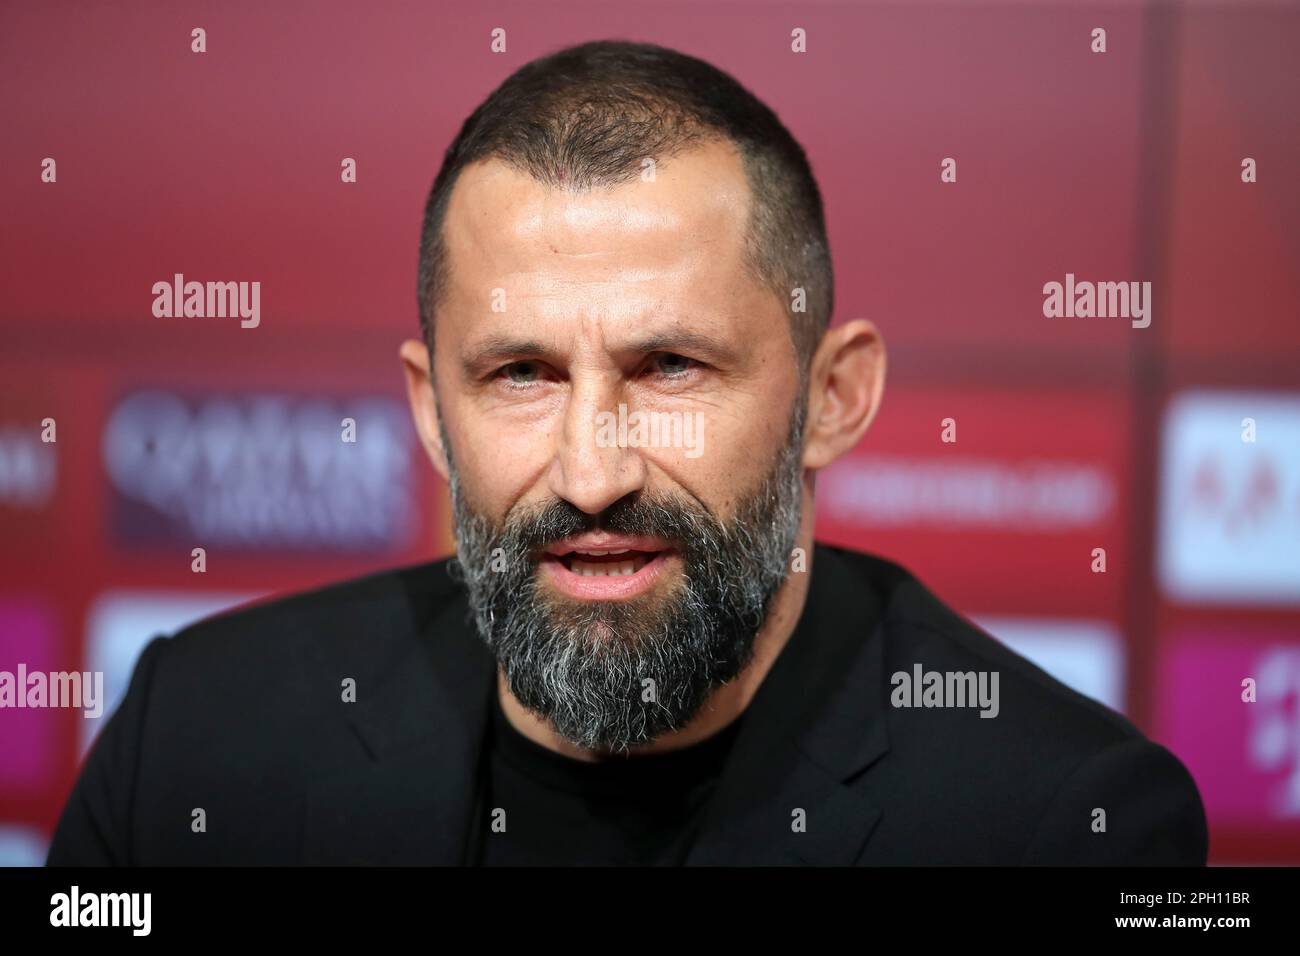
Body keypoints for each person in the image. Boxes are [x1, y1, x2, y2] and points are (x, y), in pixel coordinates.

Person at [48, 40, 1206, 866]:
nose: (592, 472)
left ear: (833, 396)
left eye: (670, 368)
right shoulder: (194, 737)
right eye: (521, 375)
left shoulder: (1062, 822)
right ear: (427, 409)